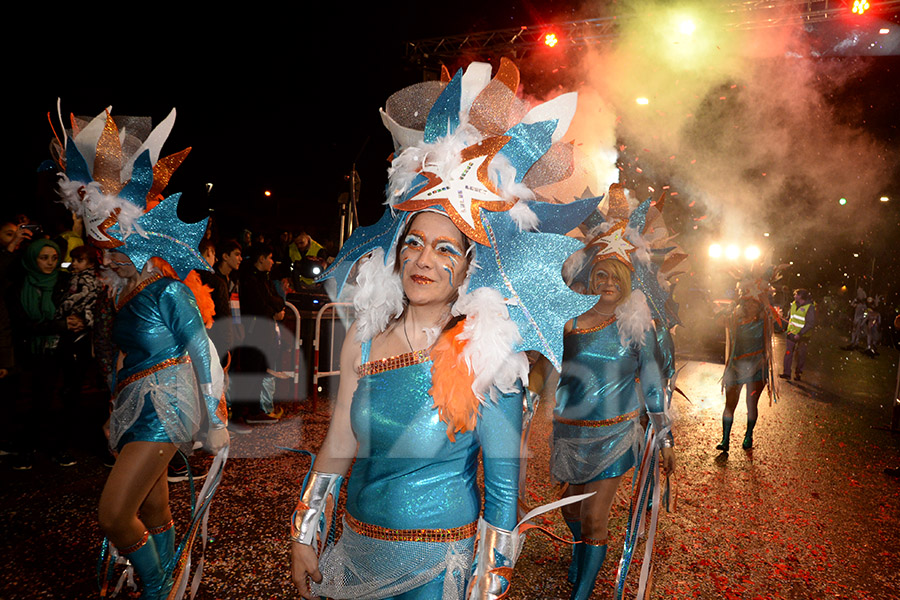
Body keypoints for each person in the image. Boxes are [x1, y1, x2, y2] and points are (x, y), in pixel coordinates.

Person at [290, 59, 598, 600]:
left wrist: (487, 583)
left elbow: (503, 487)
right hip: (356, 548)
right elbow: (341, 438)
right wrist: (306, 530)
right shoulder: (365, 334)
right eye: (413, 242)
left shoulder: (487, 354)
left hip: (437, 569)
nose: (423, 259)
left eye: (444, 248)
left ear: (467, 267)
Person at [52, 105, 229, 598]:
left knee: (113, 514)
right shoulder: (117, 294)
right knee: (152, 510)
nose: (102, 255)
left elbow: (200, 351)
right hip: (134, 404)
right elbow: (117, 360)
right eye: (99, 247)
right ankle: (172, 578)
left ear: (134, 239)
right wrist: (114, 413)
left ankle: (157, 588)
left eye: (110, 247)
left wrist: (216, 421)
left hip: (169, 403)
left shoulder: (168, 292)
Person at [549, 225, 676, 599]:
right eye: (599, 274)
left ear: (627, 280)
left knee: (594, 518)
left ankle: (582, 594)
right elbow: (543, 370)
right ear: (590, 279)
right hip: (570, 433)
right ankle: (580, 551)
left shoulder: (636, 327)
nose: (606, 282)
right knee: (571, 513)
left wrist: (665, 437)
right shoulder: (567, 323)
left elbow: (652, 384)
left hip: (616, 436)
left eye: (614, 276)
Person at [7, 239, 85, 469]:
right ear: (32, 258)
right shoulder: (19, 286)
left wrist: (78, 322)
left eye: (54, 257)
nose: (50, 263)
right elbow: (21, 324)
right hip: (31, 352)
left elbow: (77, 308)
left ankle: (58, 447)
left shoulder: (65, 281)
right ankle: (27, 447)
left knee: (63, 400)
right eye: (44, 258)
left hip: (62, 351)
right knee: (34, 401)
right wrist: (61, 325)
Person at [717, 278, 774, 452]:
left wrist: (765, 301)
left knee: (751, 404)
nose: (750, 306)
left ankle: (749, 435)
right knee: (730, 404)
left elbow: (772, 318)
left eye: (754, 304)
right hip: (735, 366)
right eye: (747, 303)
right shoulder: (734, 318)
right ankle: (725, 439)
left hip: (757, 367)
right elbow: (719, 319)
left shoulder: (764, 321)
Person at [780, 288, 815, 381]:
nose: (794, 296)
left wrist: (800, 334)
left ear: (800, 296)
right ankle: (786, 373)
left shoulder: (810, 307)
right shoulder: (793, 304)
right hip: (791, 333)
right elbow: (790, 318)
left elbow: (810, 323)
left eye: (796, 294)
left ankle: (798, 372)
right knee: (788, 353)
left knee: (800, 355)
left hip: (803, 336)